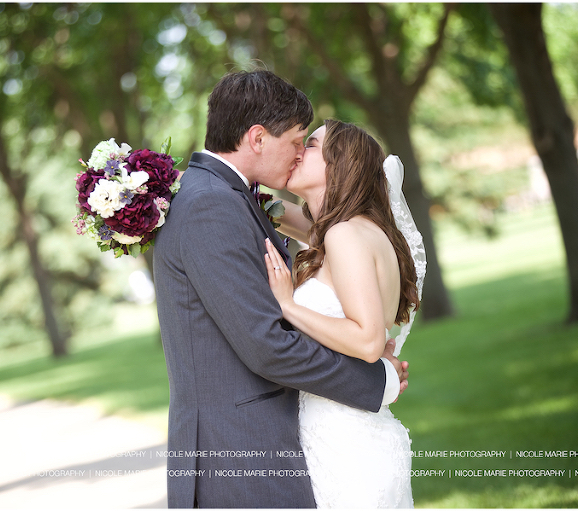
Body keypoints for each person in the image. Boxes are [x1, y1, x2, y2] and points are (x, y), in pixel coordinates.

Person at [153, 70, 410, 508]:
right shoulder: (212, 204)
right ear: (257, 138)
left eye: (309, 146)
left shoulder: (230, 197)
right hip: (237, 452)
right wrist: (376, 380)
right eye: (297, 141)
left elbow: (319, 232)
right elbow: (267, 343)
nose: (297, 154)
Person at [263, 119, 427, 508]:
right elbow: (271, 208)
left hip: (345, 448)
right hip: (354, 433)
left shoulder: (344, 235)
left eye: (313, 145)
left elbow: (369, 341)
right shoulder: (346, 230)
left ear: (339, 164)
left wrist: (288, 306)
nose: (299, 150)